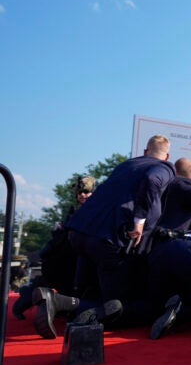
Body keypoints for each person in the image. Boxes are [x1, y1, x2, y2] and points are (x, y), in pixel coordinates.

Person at [50, 135, 175, 338]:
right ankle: (61, 305)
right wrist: (140, 220)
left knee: (87, 288)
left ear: (145, 151)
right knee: (115, 306)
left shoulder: (127, 165)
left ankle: (57, 304)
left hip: (79, 231)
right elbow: (152, 180)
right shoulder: (165, 168)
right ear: (167, 156)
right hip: (105, 239)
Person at [13, 175, 97, 320]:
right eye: (80, 192)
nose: (82, 195)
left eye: (86, 192)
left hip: (72, 258)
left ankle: (34, 300)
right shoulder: (78, 211)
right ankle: (27, 300)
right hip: (65, 258)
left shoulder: (90, 210)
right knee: (56, 282)